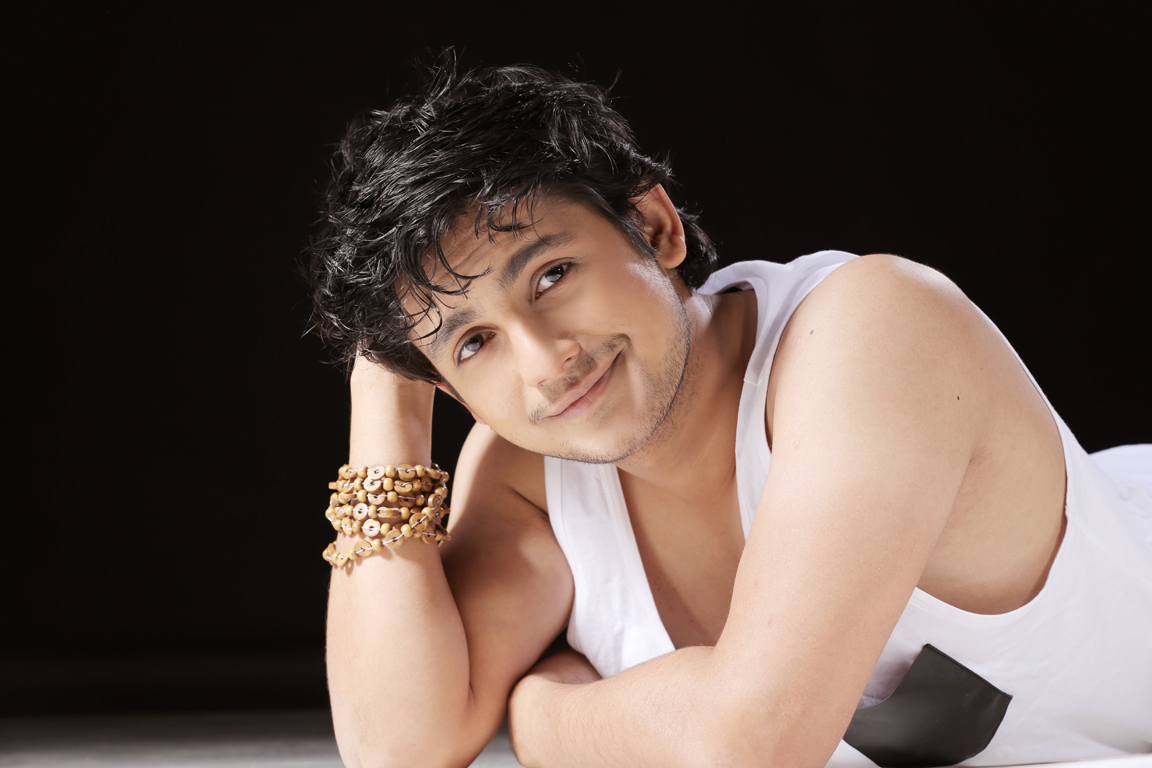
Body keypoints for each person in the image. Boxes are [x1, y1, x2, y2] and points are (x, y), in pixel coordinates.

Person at [308, 58, 1152, 768]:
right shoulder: (532, 476)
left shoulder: (872, 328)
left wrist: (542, 717)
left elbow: (753, 742)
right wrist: (388, 395)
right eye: (473, 344)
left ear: (654, 227)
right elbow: (397, 748)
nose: (544, 363)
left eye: (552, 275)